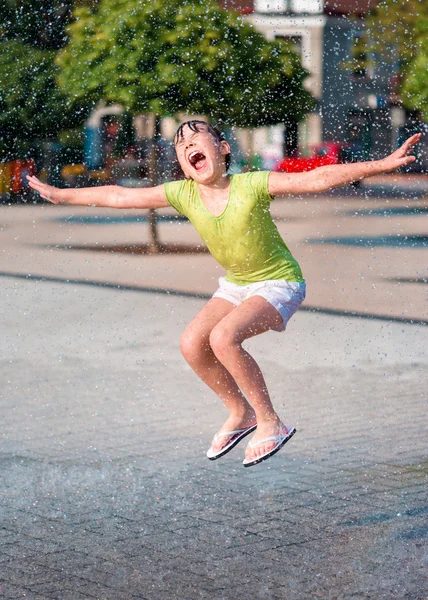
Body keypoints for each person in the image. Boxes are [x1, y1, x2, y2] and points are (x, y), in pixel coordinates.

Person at [27, 122, 421, 467]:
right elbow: (119, 196)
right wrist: (63, 195)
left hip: (279, 282)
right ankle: (241, 413)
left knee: (223, 338)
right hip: (236, 283)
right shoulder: (183, 193)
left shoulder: (251, 183)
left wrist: (381, 165)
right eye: (181, 147)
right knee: (192, 344)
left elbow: (316, 178)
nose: (188, 147)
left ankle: (271, 422)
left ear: (223, 148)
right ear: (181, 163)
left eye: (196, 139)